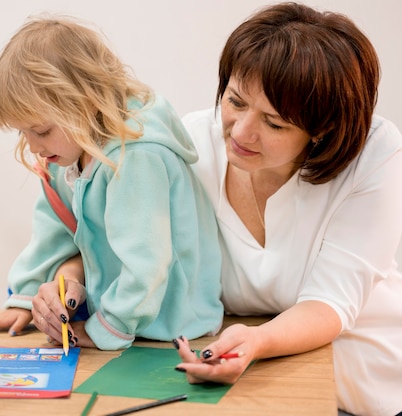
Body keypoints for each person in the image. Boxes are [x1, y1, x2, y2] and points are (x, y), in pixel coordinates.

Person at [172, 3, 402, 416]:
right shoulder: (190, 144)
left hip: (357, 380)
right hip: (245, 381)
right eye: (235, 101)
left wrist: (257, 341)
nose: (241, 132)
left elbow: (330, 304)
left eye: (274, 123)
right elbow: (124, 227)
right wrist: (71, 277)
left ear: (323, 129)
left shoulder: (374, 153)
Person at [0, 15, 223, 350]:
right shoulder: (68, 152)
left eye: (41, 130)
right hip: (123, 322)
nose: (32, 145)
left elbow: (146, 263)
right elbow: (53, 230)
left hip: (174, 326)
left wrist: (107, 328)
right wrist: (26, 298)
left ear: (85, 103)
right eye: (23, 132)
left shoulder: (136, 156)